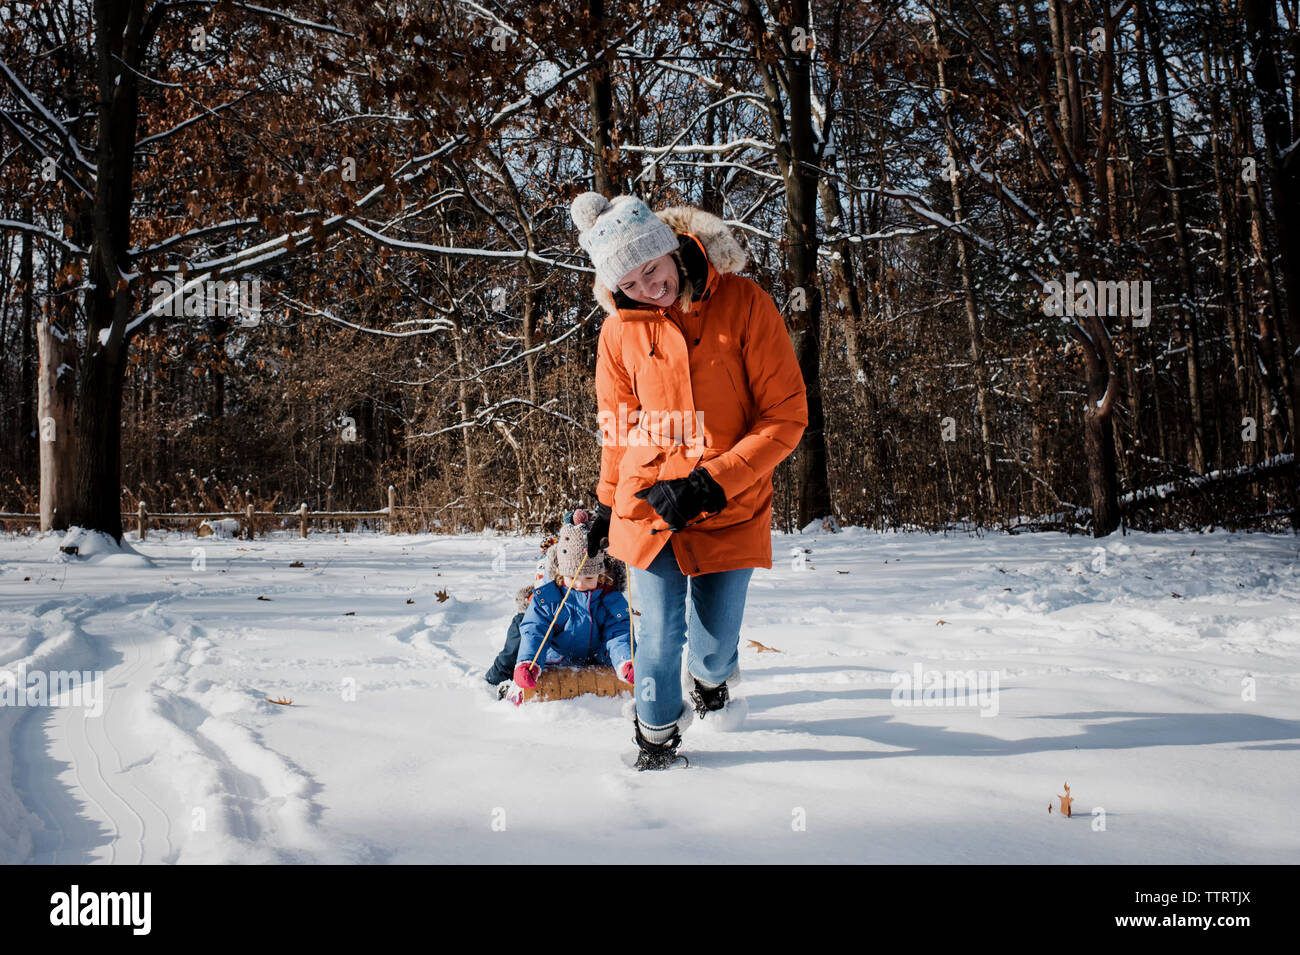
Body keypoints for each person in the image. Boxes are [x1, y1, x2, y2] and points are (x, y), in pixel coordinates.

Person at [569, 191, 808, 770]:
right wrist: (605, 506)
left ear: (672, 248)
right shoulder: (617, 334)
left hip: (731, 502)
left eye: (652, 268)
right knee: (657, 635)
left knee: (713, 646)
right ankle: (654, 740)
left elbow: (786, 416)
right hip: (648, 505)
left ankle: (712, 680)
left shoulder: (747, 304)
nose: (649, 288)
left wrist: (712, 482)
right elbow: (617, 428)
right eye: (629, 282)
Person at [511, 511, 633, 691]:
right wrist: (529, 663)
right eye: (572, 577)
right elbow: (535, 632)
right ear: (560, 573)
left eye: (589, 579)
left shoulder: (610, 600)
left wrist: (625, 661)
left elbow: (619, 633)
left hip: (599, 663)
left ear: (601, 575)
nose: (580, 584)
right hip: (557, 663)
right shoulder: (549, 599)